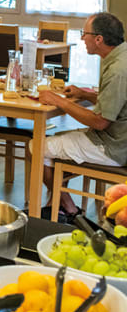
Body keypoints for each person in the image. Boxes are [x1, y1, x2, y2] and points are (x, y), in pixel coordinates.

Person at [34, 12, 127, 221]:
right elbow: (117, 104)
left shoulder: (118, 70)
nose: (82, 38)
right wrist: (84, 95)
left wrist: (59, 101)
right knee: (59, 140)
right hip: (120, 139)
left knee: (37, 147)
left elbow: (100, 122)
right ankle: (57, 204)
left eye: (84, 33)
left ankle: (66, 205)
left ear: (98, 39)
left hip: (114, 147)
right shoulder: (122, 56)